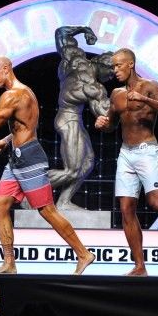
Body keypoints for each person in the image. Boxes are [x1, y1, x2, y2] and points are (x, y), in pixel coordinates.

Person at [0, 56, 95, 275]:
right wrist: (7, 139)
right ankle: (9, 263)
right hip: (16, 159)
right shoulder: (24, 92)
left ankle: (83, 254)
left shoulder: (13, 96)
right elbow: (25, 124)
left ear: (5, 69)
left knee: (47, 210)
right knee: (0, 205)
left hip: (30, 159)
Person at [94, 48, 158, 276]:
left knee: (157, 203)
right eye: (113, 66)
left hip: (147, 151)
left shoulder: (150, 87)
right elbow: (112, 124)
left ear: (130, 64)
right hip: (126, 154)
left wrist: (145, 99)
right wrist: (104, 124)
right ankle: (140, 266)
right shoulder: (116, 94)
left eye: (118, 65)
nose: (115, 70)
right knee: (126, 209)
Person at [48, 25, 113, 210]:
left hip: (72, 119)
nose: (111, 77)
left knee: (88, 162)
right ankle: (27, 191)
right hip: (69, 120)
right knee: (72, 171)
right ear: (103, 65)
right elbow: (107, 115)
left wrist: (85, 30)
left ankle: (63, 202)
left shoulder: (75, 58)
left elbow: (61, 33)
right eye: (110, 72)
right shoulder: (94, 88)